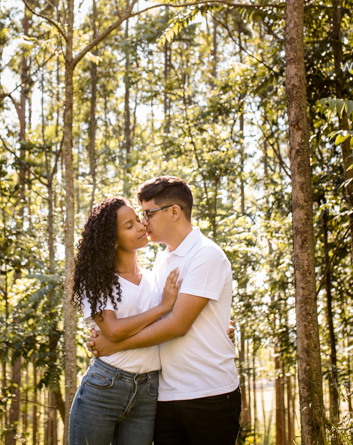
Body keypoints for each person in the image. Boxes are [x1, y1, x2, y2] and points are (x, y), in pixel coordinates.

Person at [88, 176, 240, 445]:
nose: (143, 222)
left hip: (209, 394)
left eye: (148, 214)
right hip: (165, 397)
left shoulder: (206, 255)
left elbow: (177, 325)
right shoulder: (161, 260)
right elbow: (152, 314)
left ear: (174, 212)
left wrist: (115, 345)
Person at [69, 195, 184, 445]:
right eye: (129, 226)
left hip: (149, 390)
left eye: (138, 220)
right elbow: (113, 330)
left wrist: (222, 333)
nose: (141, 227)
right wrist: (163, 306)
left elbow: (175, 322)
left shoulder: (156, 277)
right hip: (104, 387)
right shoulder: (99, 281)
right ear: (112, 240)